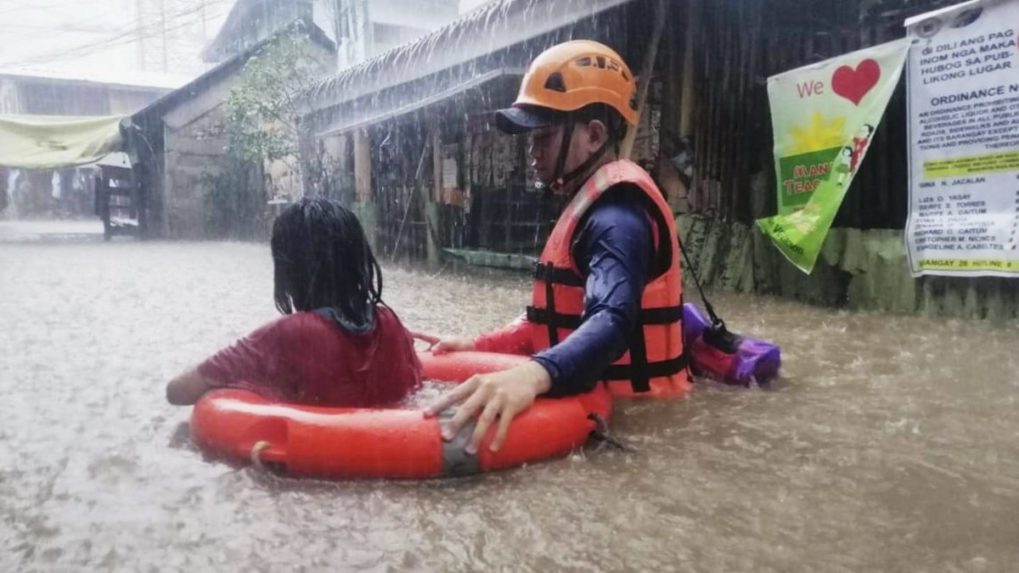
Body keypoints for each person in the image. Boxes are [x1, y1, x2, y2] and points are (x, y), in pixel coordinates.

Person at [419, 40, 686, 455]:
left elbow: (612, 320)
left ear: (594, 136)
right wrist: (477, 345)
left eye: (542, 137)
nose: (532, 153)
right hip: (607, 408)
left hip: (639, 425)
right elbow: (550, 324)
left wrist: (533, 375)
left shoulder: (617, 218)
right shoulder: (590, 205)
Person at [166, 197, 421, 407]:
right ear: (360, 260)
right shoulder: (390, 324)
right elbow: (415, 383)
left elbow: (178, 391)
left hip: (318, 463)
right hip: (391, 452)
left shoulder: (292, 333)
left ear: (288, 270)